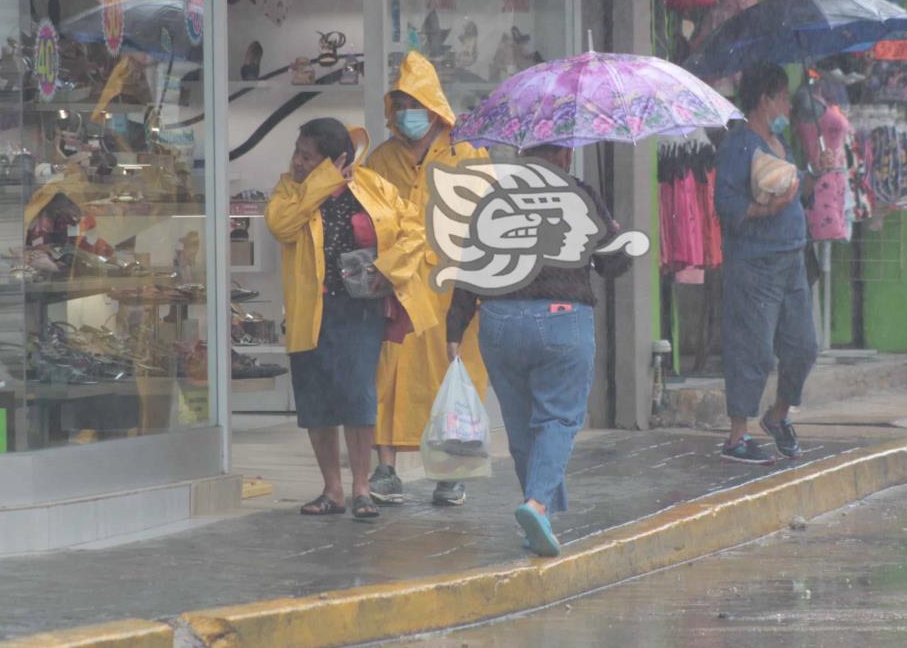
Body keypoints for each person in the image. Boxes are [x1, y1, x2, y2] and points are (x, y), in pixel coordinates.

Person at [445, 144, 632, 557]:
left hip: (499, 321)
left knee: (520, 425)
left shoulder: (494, 200)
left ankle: (537, 522)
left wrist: (454, 327)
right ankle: (537, 504)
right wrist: (614, 233)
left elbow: (469, 265)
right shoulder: (579, 194)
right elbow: (613, 265)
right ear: (564, 158)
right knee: (558, 418)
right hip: (562, 319)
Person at [265, 118, 436, 518]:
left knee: (358, 395)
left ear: (336, 158)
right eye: (298, 152)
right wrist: (319, 183)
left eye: (308, 156)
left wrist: (388, 268)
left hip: (360, 308)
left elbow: (413, 230)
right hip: (311, 310)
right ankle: (332, 490)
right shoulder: (290, 190)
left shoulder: (373, 187)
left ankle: (362, 487)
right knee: (317, 398)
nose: (298, 161)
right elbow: (281, 225)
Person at [365, 51, 489, 507]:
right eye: (397, 104)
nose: (404, 114)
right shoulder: (382, 160)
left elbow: (487, 225)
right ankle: (385, 469)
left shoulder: (469, 155)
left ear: (434, 106)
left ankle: (451, 474)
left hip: (450, 291)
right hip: (397, 289)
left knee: (451, 378)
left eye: (411, 103)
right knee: (388, 376)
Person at [713, 62, 833, 465]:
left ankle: (778, 415)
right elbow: (727, 206)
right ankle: (736, 436)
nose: (786, 104)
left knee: (803, 346)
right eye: (782, 96)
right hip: (755, 262)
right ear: (765, 99)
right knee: (753, 349)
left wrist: (816, 171)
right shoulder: (739, 145)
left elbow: (796, 190)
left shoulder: (781, 140)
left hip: (793, 257)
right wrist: (767, 210)